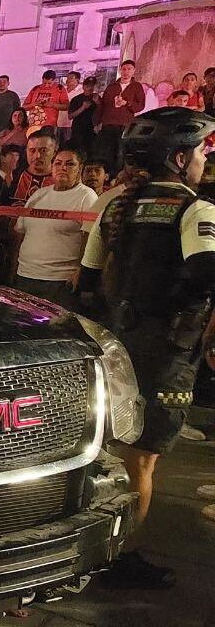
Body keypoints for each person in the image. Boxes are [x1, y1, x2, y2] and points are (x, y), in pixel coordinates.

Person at [77, 106, 215, 589]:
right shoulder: (194, 208)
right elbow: (204, 275)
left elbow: (87, 281)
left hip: (115, 342)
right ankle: (121, 557)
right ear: (180, 159)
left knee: (106, 449)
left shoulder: (114, 205)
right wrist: (173, 316)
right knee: (142, 462)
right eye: (201, 151)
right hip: (165, 352)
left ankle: (88, 545)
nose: (203, 160)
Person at [13, 149, 97, 308]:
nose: (62, 168)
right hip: (26, 275)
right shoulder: (38, 195)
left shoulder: (87, 196)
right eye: (58, 163)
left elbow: (91, 237)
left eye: (69, 164)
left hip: (60, 281)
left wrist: (81, 271)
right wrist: (13, 268)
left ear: (80, 168)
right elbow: (20, 233)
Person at [94, 60, 147, 174]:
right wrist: (97, 122)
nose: (126, 72)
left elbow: (140, 105)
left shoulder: (136, 87)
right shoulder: (112, 86)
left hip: (124, 124)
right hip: (108, 122)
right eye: (124, 69)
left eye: (129, 69)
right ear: (120, 70)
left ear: (133, 71)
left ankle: (117, 175)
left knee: (120, 151)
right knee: (106, 150)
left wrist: (127, 103)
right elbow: (103, 105)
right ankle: (105, 173)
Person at [11, 130, 58, 206]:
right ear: (26, 152)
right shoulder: (14, 176)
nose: (37, 156)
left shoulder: (60, 181)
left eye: (43, 150)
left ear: (54, 153)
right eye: (32, 151)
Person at [0, 75, 22, 141]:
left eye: (4, 82)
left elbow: (18, 112)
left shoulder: (13, 96)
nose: (1, 84)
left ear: (8, 83)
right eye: (0, 82)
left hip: (7, 130)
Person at [68, 76, 98, 152]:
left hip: (91, 129)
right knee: (78, 150)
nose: (90, 88)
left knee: (90, 150)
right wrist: (82, 108)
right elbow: (70, 116)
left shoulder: (96, 98)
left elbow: (101, 112)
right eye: (88, 86)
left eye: (92, 86)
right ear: (84, 86)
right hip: (78, 129)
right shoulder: (76, 99)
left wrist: (98, 103)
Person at [55, 71, 82, 145]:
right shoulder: (61, 91)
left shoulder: (81, 92)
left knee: (67, 145)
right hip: (57, 123)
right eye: (67, 78)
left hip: (70, 124)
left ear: (77, 80)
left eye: (70, 78)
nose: (67, 80)